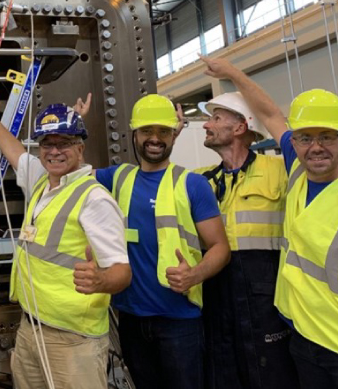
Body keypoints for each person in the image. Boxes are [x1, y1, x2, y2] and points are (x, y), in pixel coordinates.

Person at [201, 55, 338, 389]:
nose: (315, 147)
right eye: (305, 137)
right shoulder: (297, 173)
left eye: (327, 137)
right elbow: (270, 113)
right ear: (294, 142)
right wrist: (230, 72)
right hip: (303, 342)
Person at [77, 93, 230, 389]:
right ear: (135, 135)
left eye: (163, 131)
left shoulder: (192, 184)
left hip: (179, 321)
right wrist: (77, 124)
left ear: (174, 135)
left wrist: (195, 274)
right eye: (147, 131)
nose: (155, 139)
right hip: (131, 319)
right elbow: (75, 172)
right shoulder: (118, 178)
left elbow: (220, 248)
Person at [0, 96, 131, 389]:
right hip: (31, 328)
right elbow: (14, 150)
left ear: (80, 147)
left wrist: (100, 280)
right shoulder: (41, 181)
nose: (54, 151)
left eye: (63, 143)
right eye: (46, 144)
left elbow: (122, 272)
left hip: (73, 340)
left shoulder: (94, 199)